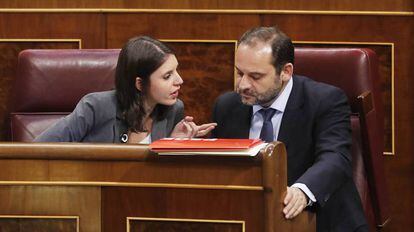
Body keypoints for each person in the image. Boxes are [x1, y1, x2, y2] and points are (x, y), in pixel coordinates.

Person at [211, 26, 367, 231]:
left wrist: (302, 191)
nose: (243, 85)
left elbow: (335, 158)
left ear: (285, 72)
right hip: (252, 221)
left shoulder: (325, 100)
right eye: (239, 73)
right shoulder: (227, 106)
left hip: (320, 220)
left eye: (255, 77)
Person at [35, 36, 216, 143]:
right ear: (139, 84)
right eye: (167, 76)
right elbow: (37, 149)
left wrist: (174, 144)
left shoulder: (174, 110)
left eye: (176, 70)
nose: (180, 80)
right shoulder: (95, 107)